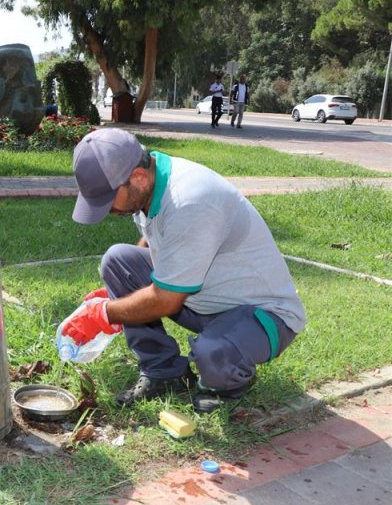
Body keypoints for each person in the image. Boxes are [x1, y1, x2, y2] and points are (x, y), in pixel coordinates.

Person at [64, 129, 306, 413]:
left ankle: (228, 383)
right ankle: (163, 371)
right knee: (119, 261)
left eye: (108, 199)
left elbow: (166, 299)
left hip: (262, 315)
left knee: (213, 354)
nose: (105, 210)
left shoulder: (190, 201)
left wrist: (104, 313)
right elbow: (155, 239)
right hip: (205, 298)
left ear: (138, 177)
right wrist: (120, 293)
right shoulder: (150, 182)